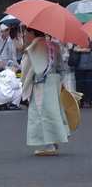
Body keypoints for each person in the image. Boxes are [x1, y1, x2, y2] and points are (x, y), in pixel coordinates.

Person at [20, 26, 70, 156]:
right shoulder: (53, 46)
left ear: (32, 33)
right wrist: (58, 82)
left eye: (26, 32)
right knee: (53, 113)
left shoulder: (33, 49)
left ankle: (49, 145)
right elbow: (62, 69)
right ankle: (54, 140)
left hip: (40, 85)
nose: (24, 34)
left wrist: (24, 85)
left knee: (42, 115)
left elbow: (25, 70)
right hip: (53, 84)